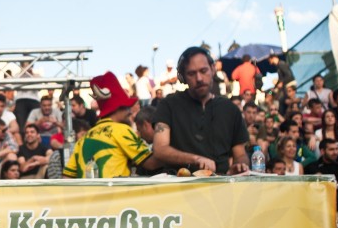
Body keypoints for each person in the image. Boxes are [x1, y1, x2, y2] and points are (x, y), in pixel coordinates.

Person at [152, 46, 250, 175]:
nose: (199, 78)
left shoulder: (230, 109)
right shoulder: (168, 105)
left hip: (220, 187)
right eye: (191, 73)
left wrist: (240, 166)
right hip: (179, 187)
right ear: (183, 78)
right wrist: (195, 159)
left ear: (213, 69)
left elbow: (240, 154)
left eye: (203, 71)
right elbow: (160, 149)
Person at [63, 72, 160, 178]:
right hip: (115, 194)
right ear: (118, 108)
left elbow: (66, 177)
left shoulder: (83, 139)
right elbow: (152, 164)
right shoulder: (122, 130)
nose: (130, 112)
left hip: (87, 194)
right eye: (127, 106)